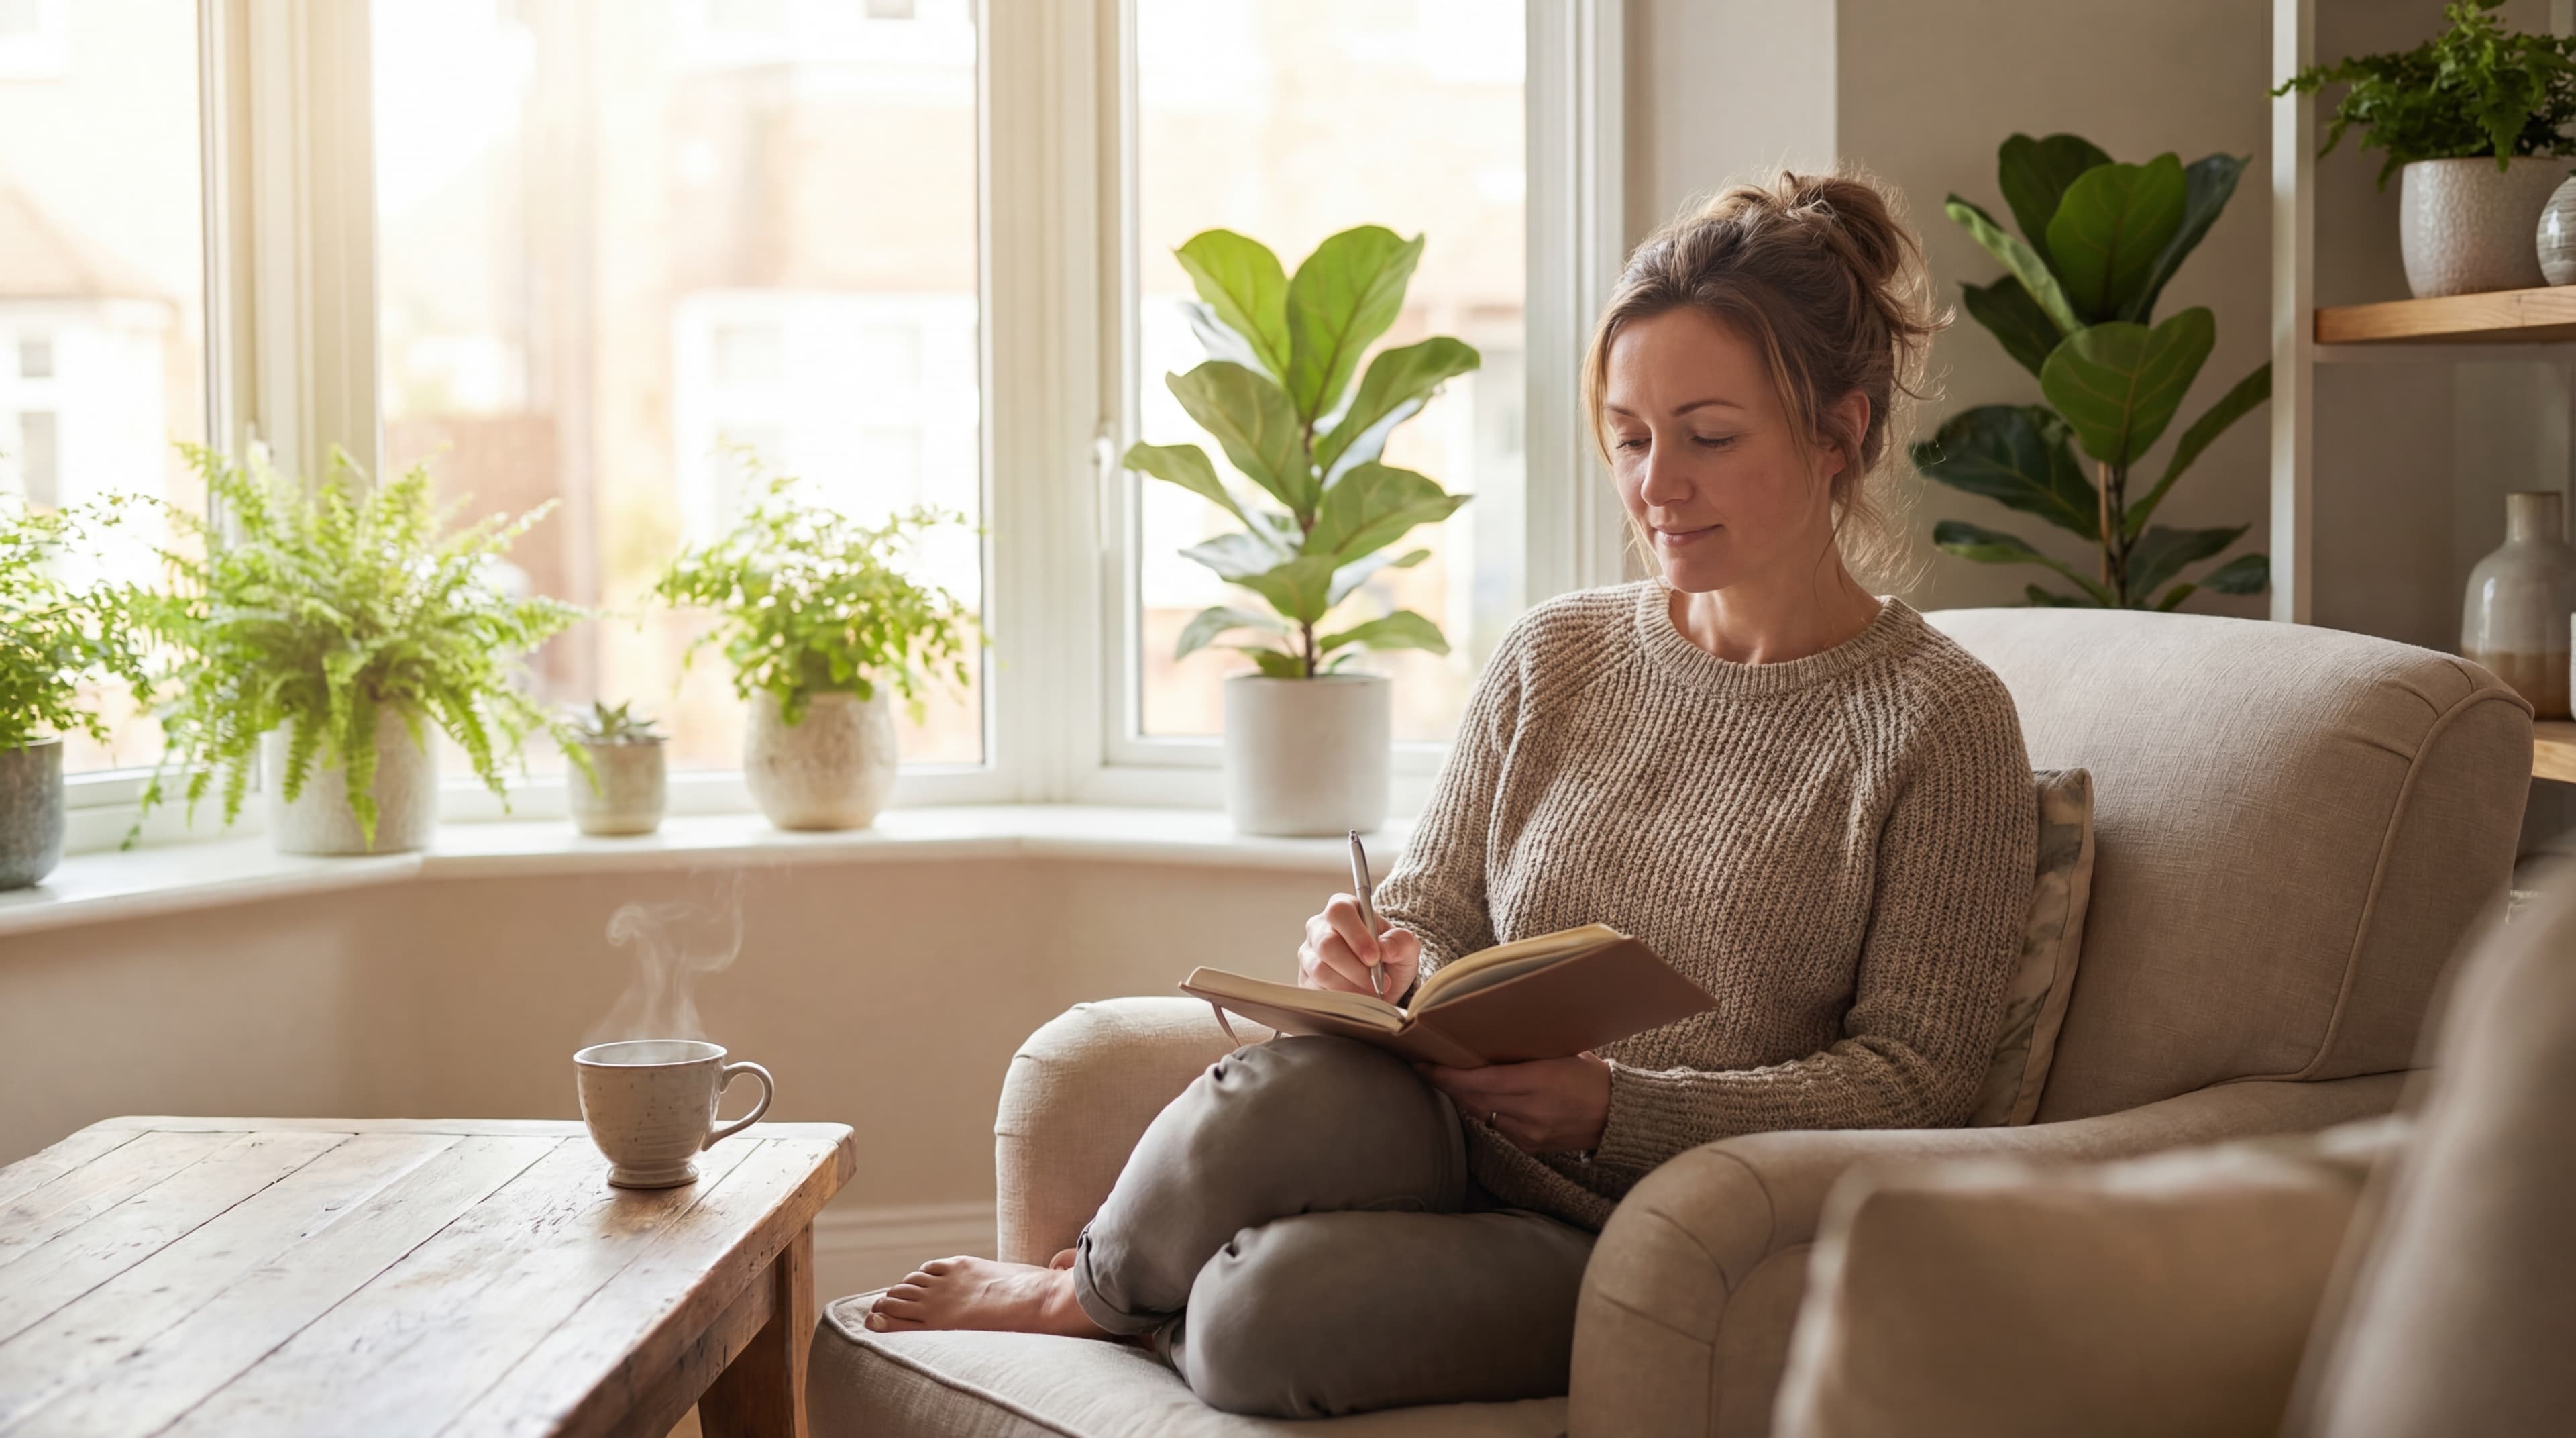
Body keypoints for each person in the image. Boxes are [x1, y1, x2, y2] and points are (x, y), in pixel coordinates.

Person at [861, 169, 2040, 1419]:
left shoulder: (1938, 722)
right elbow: (1439, 904)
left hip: (1641, 1229)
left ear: (1839, 433)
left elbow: (1920, 1080)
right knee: (1272, 1093)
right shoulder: (1559, 653)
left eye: (1709, 436)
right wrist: (1383, 955)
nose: (1656, 486)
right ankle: (1088, 1295)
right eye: (1630, 438)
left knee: (1261, 1318)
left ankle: (1170, 1309)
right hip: (1431, 1127)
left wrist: (1615, 1109)